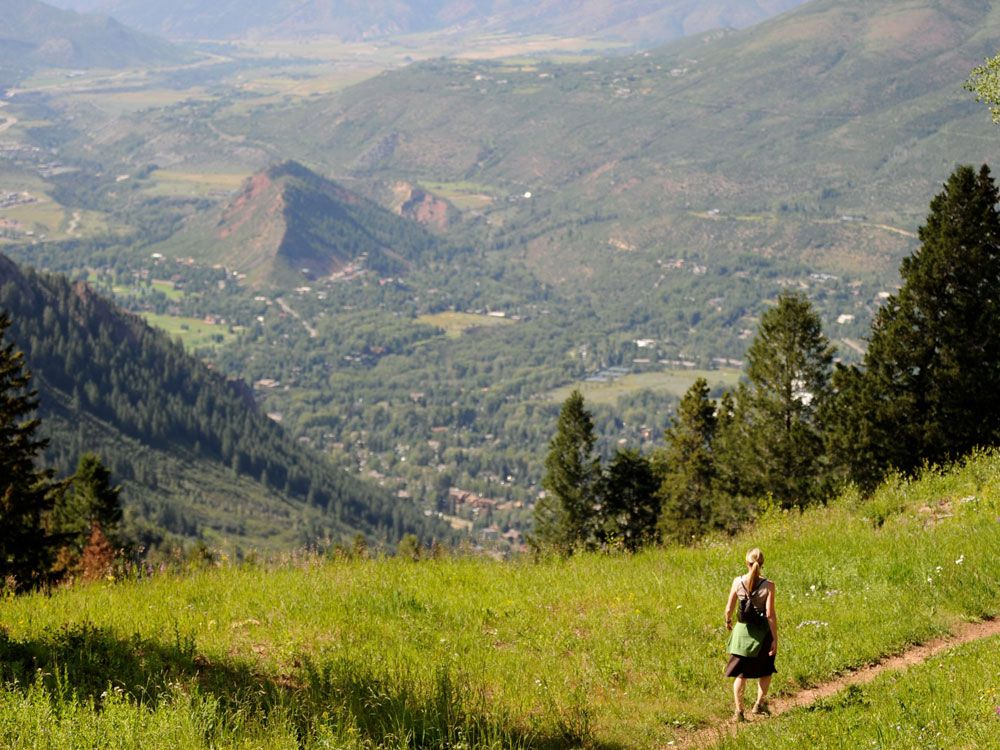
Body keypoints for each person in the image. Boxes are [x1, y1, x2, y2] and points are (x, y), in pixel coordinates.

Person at [723, 547, 778, 721]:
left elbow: (729, 609)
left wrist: (728, 622)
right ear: (762, 563)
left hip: (741, 632)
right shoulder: (769, 585)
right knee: (766, 669)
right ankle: (759, 704)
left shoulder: (737, 582)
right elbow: (769, 614)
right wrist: (775, 638)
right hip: (761, 633)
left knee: (741, 673)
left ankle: (739, 712)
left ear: (746, 562)